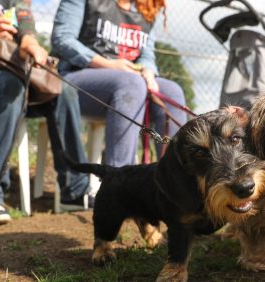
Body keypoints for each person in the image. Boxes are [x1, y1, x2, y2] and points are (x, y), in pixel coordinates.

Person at [51, 0, 187, 175]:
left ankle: (174, 183)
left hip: (128, 84)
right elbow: (62, 38)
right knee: (131, 83)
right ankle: (119, 182)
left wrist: (148, 71)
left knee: (172, 91)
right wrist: (107, 64)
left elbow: (146, 54)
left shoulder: (145, 8)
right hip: (76, 78)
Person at [0, 0, 90, 226]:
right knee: (7, 85)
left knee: (64, 90)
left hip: (15, 69)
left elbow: (23, 14)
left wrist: (29, 40)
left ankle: (75, 190)